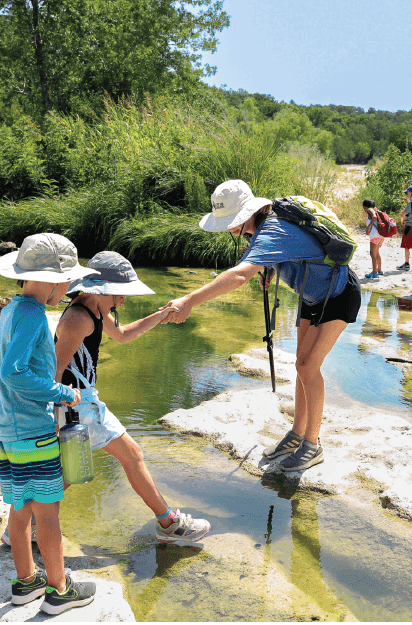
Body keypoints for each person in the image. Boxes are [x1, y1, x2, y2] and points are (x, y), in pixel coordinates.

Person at [163, 179, 361, 473]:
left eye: (230, 221)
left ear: (246, 215)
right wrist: (270, 268)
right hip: (312, 294)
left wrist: (190, 300)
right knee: (301, 366)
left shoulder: (272, 230)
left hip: (338, 294)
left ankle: (313, 444)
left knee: (308, 367)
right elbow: (295, 249)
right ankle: (296, 435)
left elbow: (240, 275)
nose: (228, 227)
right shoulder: (267, 225)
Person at [31, 252, 213, 545]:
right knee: (132, 455)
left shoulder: (95, 310)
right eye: (121, 293)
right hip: (77, 405)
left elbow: (124, 335)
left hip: (81, 402)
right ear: (102, 289)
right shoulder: (78, 317)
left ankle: (27, 526)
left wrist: (160, 315)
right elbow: (55, 370)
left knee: (66, 472)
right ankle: (169, 523)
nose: (124, 300)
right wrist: (52, 415)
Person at [0, 233, 97, 614]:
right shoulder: (33, 314)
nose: (68, 288)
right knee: (47, 511)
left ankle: (26, 582)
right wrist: (61, 393)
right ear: (52, 280)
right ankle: (59, 589)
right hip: (34, 432)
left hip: (9, 431)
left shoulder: (8, 311)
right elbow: (13, 371)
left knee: (20, 506)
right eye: (66, 281)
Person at [397, 185, 412, 270]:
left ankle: (408, 263)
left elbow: (403, 214)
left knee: (407, 245)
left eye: (408, 193)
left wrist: (402, 220)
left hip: (409, 226)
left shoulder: (410, 204)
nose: (407, 195)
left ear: (411, 193)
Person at [363, 199, 384, 279]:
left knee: (372, 254)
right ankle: (379, 270)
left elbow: (374, 217)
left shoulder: (369, 210)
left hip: (375, 236)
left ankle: (374, 273)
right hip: (380, 236)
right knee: (377, 253)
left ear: (365, 207)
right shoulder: (376, 210)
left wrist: (369, 226)